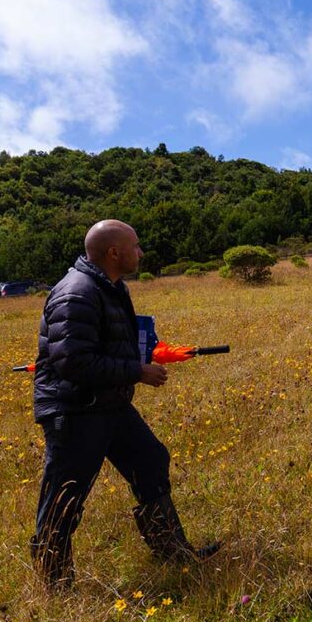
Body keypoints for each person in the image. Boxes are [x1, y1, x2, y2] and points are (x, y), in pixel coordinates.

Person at [31, 220, 219, 590]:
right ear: (114, 252)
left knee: (149, 459)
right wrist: (137, 371)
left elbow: (112, 342)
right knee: (65, 494)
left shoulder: (111, 287)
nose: (141, 252)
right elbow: (75, 362)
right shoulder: (77, 294)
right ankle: (53, 582)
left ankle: (171, 550)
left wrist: (148, 353)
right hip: (75, 409)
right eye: (135, 245)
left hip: (109, 402)